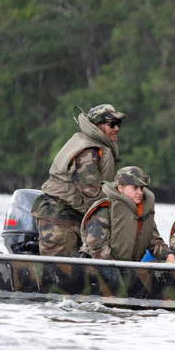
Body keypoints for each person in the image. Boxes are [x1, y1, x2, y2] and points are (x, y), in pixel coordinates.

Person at [31, 104, 123, 256]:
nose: (117, 128)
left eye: (118, 124)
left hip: (71, 218)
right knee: (60, 272)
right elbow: (91, 195)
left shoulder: (93, 145)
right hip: (59, 219)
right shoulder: (88, 152)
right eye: (112, 124)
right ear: (98, 126)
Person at [80, 166, 175, 263]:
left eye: (142, 188)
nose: (140, 192)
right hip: (98, 266)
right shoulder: (105, 208)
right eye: (135, 187)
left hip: (129, 268)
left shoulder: (144, 211)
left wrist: (168, 255)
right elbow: (97, 246)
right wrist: (115, 269)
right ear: (120, 188)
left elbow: (154, 241)